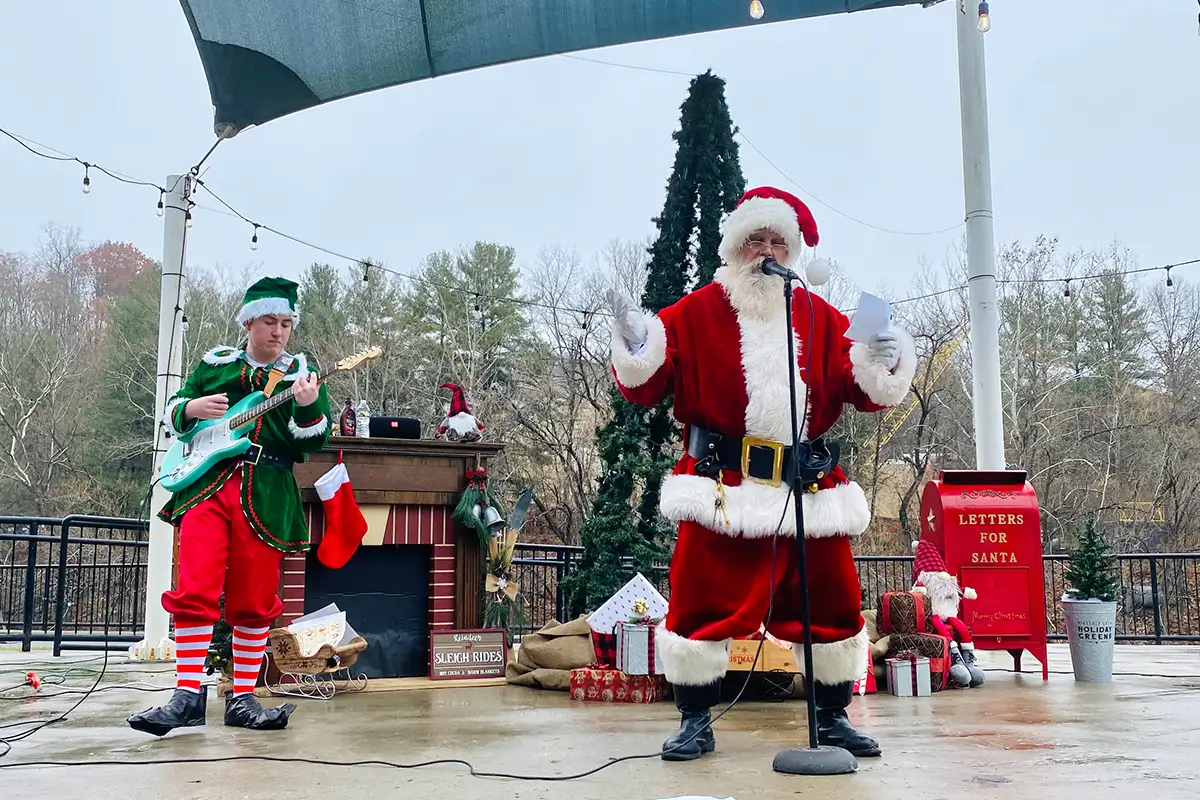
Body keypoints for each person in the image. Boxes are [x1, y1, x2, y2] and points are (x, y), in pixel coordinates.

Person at [605, 186, 917, 761]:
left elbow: (867, 391)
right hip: (722, 487)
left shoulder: (821, 317)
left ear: (793, 253)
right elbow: (645, 385)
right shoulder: (694, 312)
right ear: (734, 247)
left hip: (808, 492)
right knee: (699, 605)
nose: (767, 251)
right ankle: (695, 720)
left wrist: (887, 355)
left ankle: (833, 716)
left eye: (778, 241)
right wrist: (636, 342)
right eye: (756, 239)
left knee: (831, 605)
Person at [128, 276, 332, 736]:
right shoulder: (214, 365)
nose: (279, 331)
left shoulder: (301, 373)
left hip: (266, 491)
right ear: (248, 322)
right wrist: (194, 407)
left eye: (286, 323)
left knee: (255, 598)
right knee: (194, 585)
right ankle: (186, 696)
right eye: (269, 321)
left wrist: (306, 405)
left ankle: (242, 699)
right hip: (208, 487)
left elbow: (315, 437)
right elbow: (175, 412)